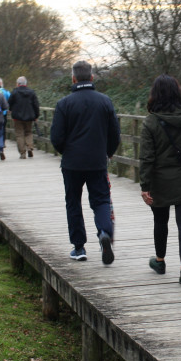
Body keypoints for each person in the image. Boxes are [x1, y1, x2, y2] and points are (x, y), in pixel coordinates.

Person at [51, 61, 121, 264]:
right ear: (92, 77)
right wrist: (107, 152)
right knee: (100, 201)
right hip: (97, 161)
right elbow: (114, 134)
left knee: (73, 202)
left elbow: (56, 137)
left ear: (73, 78)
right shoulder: (105, 101)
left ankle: (79, 247)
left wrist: (66, 152)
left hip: (72, 163)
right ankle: (103, 233)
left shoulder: (64, 103)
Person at [139, 75, 181, 286]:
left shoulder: (150, 122)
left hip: (160, 180)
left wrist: (145, 186)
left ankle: (160, 261)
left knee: (160, 221)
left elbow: (147, 158)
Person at [8, 76, 40, 159]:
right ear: (26, 83)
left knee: (19, 134)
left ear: (18, 84)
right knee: (28, 132)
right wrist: (36, 115)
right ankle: (30, 147)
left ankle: (22, 153)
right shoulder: (32, 92)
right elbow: (36, 105)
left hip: (17, 117)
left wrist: (11, 110)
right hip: (29, 116)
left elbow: (10, 103)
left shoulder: (14, 92)